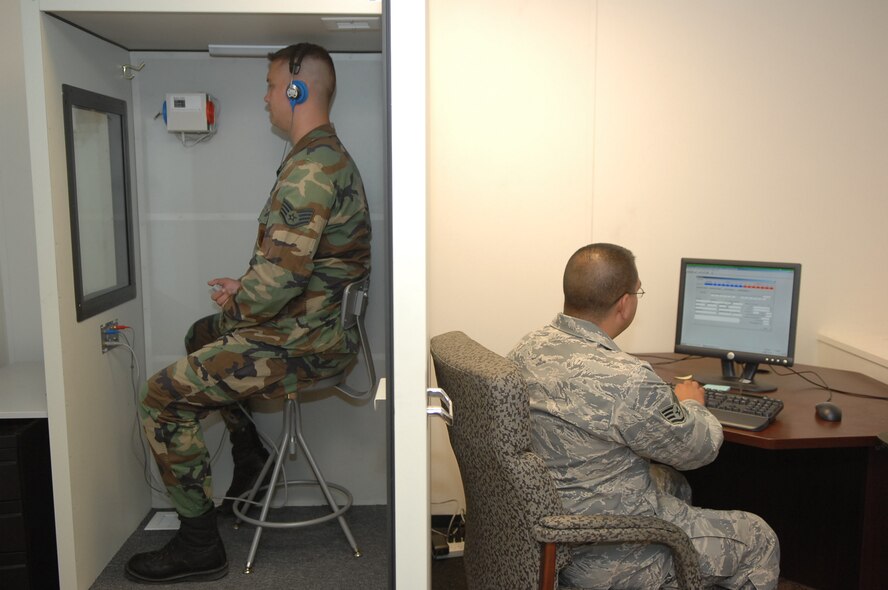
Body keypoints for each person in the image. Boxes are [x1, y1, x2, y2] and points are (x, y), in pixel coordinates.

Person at [125, 43, 372, 584]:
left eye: (268, 86)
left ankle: (198, 547)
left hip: (305, 345)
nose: (264, 99)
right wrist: (246, 290)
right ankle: (250, 454)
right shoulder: (322, 158)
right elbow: (298, 268)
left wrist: (243, 298)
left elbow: (277, 283)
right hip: (313, 328)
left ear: (295, 88)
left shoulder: (311, 167)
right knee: (199, 334)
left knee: (160, 398)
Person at [508, 243, 779, 589]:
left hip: (545, 534)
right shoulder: (628, 378)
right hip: (606, 555)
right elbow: (699, 449)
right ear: (624, 303)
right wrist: (691, 403)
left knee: (673, 483)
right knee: (758, 538)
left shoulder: (526, 348)